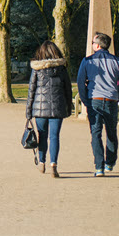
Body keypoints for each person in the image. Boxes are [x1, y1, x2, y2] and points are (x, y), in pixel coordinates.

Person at [77, 32, 119, 177]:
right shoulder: (118, 61)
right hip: (111, 100)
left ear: (97, 45)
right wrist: (117, 96)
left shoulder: (87, 61)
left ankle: (98, 166)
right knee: (111, 133)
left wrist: (84, 99)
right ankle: (110, 163)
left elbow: (81, 82)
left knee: (96, 133)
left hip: (94, 99)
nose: (92, 44)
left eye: (93, 42)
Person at [25, 40, 74, 178]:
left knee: (42, 136)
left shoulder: (37, 70)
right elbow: (68, 90)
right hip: (57, 107)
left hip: (40, 109)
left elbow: (31, 91)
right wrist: (68, 107)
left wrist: (28, 111)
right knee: (54, 137)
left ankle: (42, 162)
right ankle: (54, 164)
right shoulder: (62, 69)